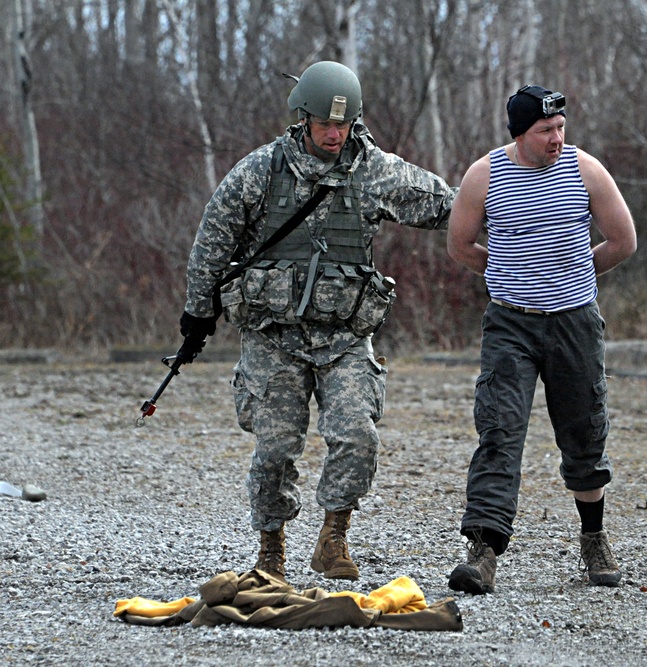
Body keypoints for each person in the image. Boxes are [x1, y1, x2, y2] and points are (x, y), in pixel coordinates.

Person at [178, 61, 455, 583]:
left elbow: (446, 205)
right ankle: (271, 548)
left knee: (357, 436)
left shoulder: (376, 172)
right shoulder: (261, 170)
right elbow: (212, 240)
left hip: (344, 337)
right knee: (275, 449)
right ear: (302, 118)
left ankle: (333, 536)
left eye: (344, 124)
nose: (335, 134)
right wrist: (198, 313)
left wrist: (513, 193)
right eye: (326, 124)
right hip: (273, 335)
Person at [445, 85, 637, 594]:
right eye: (544, 131)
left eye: (560, 128)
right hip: (511, 324)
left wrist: (579, 273)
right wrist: (507, 271)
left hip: (575, 322)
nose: (556, 138)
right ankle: (483, 551)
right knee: (499, 430)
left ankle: (593, 538)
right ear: (519, 133)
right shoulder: (484, 175)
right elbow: (460, 243)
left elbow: (623, 239)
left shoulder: (586, 170)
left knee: (583, 433)